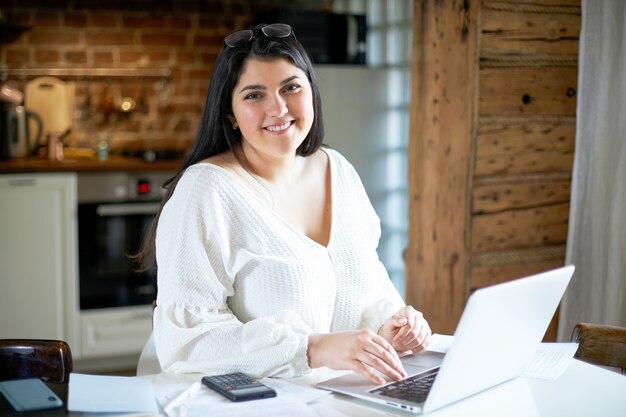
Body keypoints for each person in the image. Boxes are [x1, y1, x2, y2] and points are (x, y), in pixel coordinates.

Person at [137, 23, 431, 385]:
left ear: (311, 93)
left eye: (291, 88)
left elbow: (367, 284)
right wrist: (311, 348)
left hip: (342, 395)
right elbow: (185, 342)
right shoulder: (206, 190)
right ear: (230, 114)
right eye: (254, 95)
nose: (278, 108)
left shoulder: (338, 169)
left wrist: (395, 323)